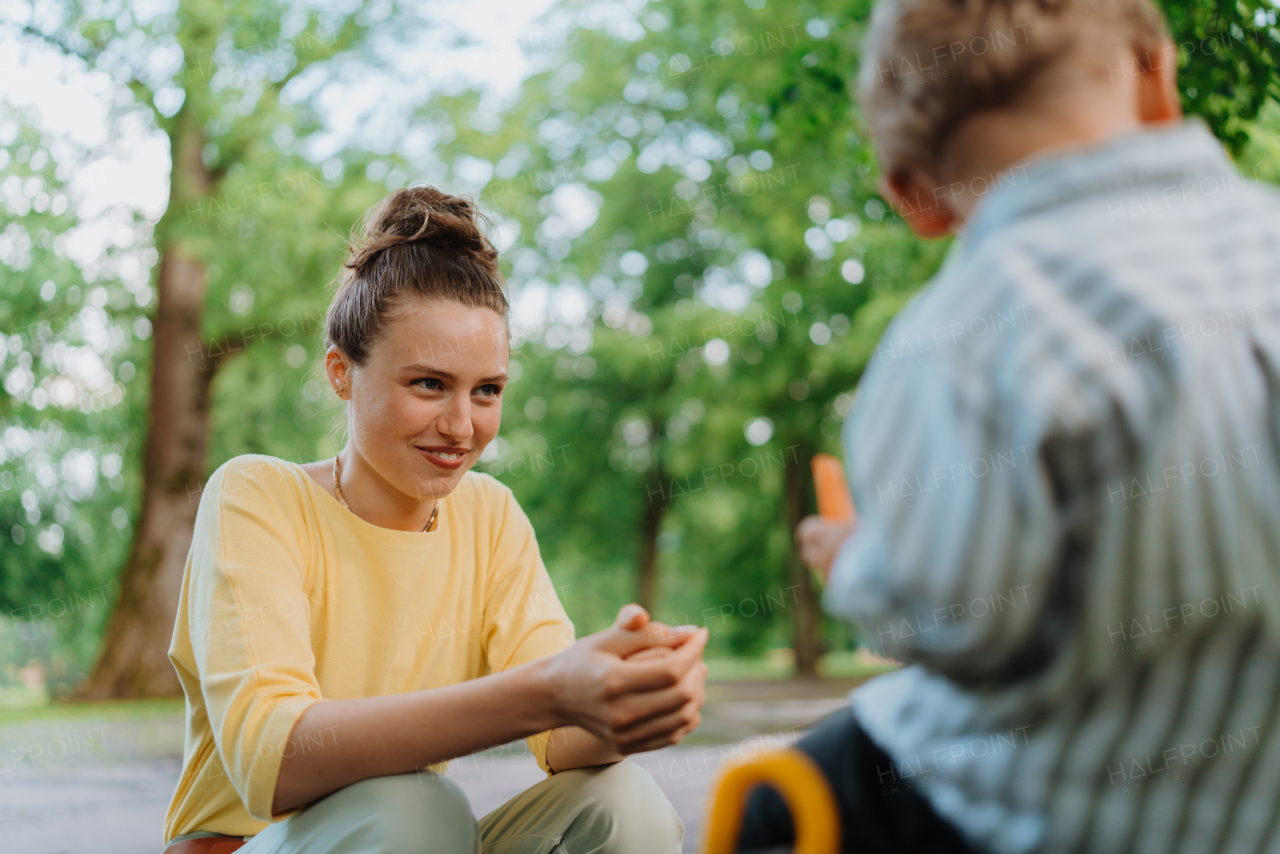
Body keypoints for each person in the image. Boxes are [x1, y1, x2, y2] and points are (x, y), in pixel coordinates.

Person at [740, 0, 1280, 852]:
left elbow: (962, 620)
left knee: (776, 803)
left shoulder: (965, 332)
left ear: (914, 196)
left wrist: (859, 565)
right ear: (1157, 74)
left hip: (1062, 810)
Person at [162, 187, 708, 854]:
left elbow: (564, 741)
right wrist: (547, 692)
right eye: (427, 384)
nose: (460, 426)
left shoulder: (489, 515)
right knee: (414, 806)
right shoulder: (256, 495)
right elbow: (270, 765)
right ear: (341, 373)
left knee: (624, 803)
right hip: (263, 844)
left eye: (487, 391)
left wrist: (627, 702)